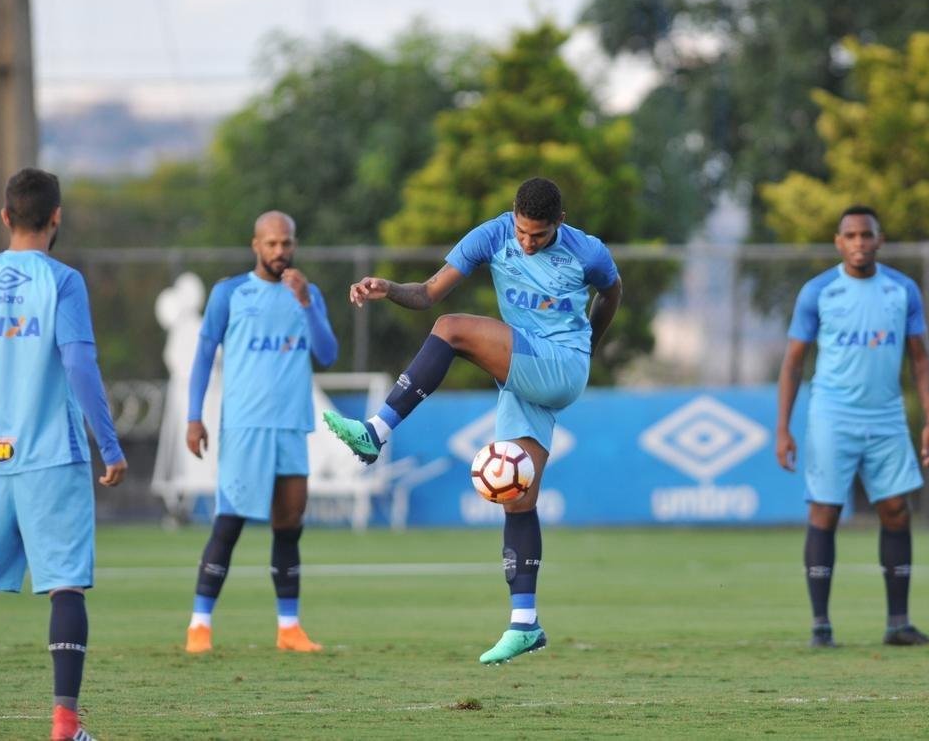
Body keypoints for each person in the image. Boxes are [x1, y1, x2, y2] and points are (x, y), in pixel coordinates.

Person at [324, 177, 622, 664]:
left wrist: (591, 338)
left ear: (559, 223)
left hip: (562, 364)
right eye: (524, 233)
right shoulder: (491, 236)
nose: (528, 242)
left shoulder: (588, 251)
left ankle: (375, 432)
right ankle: (525, 624)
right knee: (518, 498)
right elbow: (427, 293)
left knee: (452, 330)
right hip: (525, 374)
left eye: (540, 236)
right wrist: (388, 288)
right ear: (513, 216)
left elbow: (612, 290)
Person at [0, 167, 127, 741]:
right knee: (66, 586)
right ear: (56, 217)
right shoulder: (63, 281)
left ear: (5, 217)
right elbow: (78, 363)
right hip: (52, 456)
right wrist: (109, 442)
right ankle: (65, 727)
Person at [776, 206, 929, 648]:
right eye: (849, 235)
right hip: (832, 415)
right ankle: (820, 626)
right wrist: (783, 429)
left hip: (886, 417)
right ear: (838, 242)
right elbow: (793, 364)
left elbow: (921, 360)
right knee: (825, 511)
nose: (858, 243)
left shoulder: (902, 290)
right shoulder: (819, 292)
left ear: (879, 240)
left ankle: (899, 624)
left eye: (866, 235)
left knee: (895, 510)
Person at [183, 211, 337, 654]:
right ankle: (200, 624)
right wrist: (194, 417)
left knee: (289, 526)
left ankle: (289, 628)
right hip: (245, 426)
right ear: (256, 245)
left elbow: (326, 354)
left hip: (291, 424)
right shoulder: (229, 293)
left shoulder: (308, 295)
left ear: (294, 244)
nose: (279, 251)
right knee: (228, 524)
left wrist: (307, 303)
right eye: (271, 244)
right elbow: (203, 355)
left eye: (286, 243)